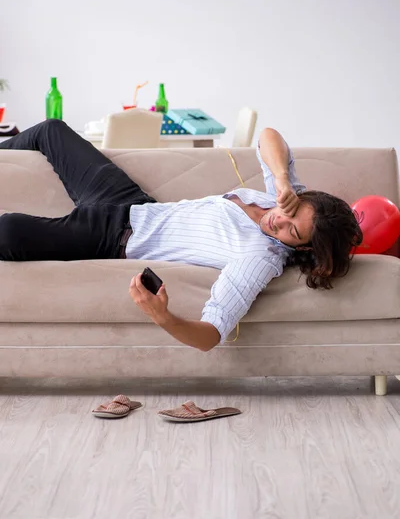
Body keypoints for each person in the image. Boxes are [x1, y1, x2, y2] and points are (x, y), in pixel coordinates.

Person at [0, 120, 362, 351]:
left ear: (304, 247)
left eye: (292, 231)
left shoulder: (259, 259)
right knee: (52, 131)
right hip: (131, 204)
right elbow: (268, 135)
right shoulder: (281, 198)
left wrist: (164, 318)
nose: (279, 221)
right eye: (292, 211)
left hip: (113, 237)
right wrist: (283, 182)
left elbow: (211, 334)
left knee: (9, 231)